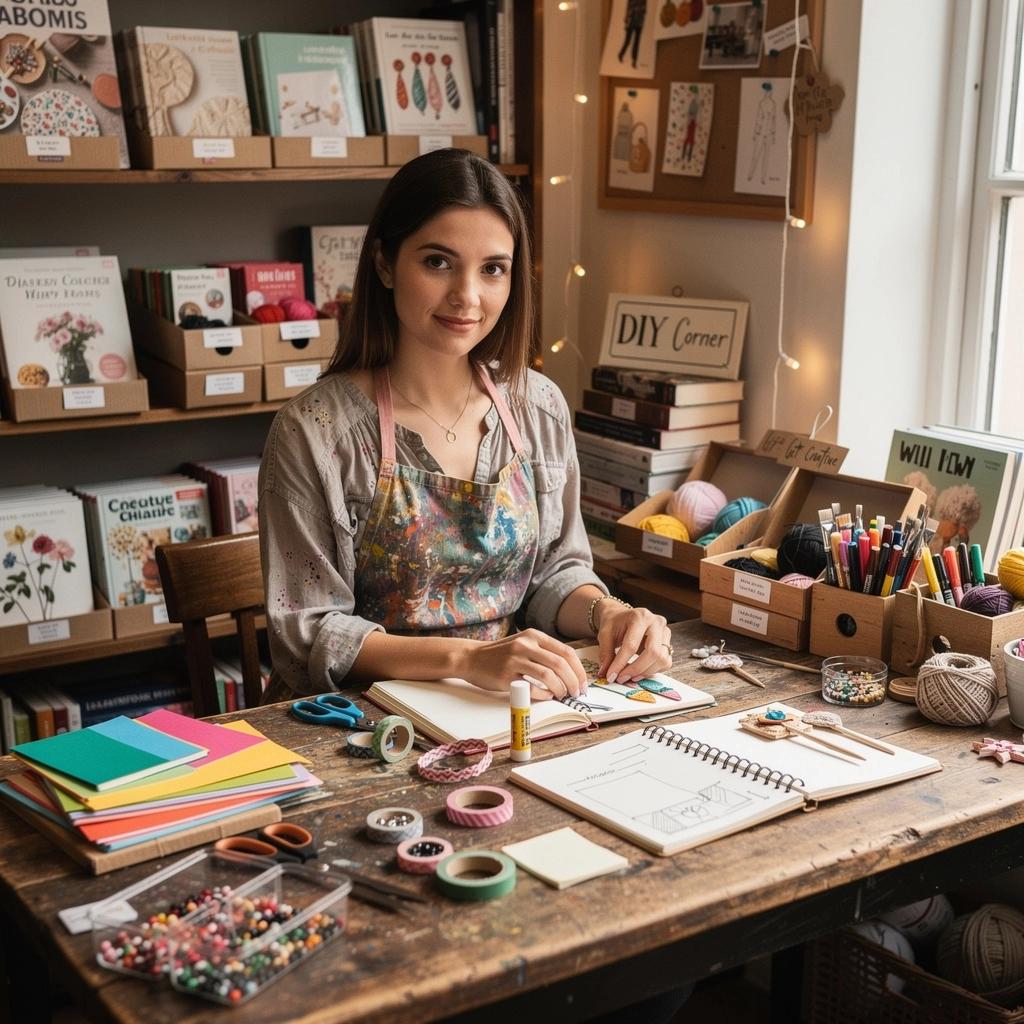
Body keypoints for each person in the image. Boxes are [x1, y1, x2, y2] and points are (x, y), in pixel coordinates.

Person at [258, 147, 673, 704]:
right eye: (437, 262)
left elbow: (555, 575)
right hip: (361, 723)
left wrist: (610, 614)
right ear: (384, 263)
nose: (467, 297)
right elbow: (310, 634)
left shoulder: (538, 407)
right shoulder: (316, 432)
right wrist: (470, 659)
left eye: (492, 269)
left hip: (504, 709)